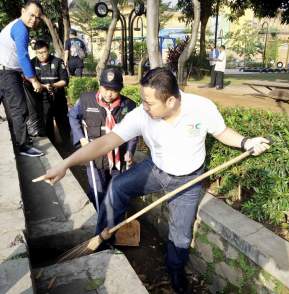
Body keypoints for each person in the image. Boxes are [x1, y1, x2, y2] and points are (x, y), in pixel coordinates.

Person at [41, 68, 270, 293]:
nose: (143, 106)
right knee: (117, 187)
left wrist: (246, 142)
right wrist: (66, 163)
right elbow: (104, 143)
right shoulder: (142, 114)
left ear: (170, 101)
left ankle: (175, 271)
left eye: (149, 102)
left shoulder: (201, 108)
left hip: (188, 181)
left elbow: (222, 132)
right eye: (142, 99)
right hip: (155, 170)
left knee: (180, 234)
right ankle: (104, 240)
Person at [68, 67, 137, 211]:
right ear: (100, 85)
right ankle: (99, 220)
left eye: (114, 90)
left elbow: (133, 132)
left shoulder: (129, 106)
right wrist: (81, 138)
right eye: (105, 88)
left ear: (120, 89)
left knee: (115, 192)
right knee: (97, 191)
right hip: (94, 156)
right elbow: (73, 116)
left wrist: (130, 151)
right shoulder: (86, 100)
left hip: (118, 160)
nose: (109, 94)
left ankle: (112, 223)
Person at [0, 0, 44, 157]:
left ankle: (20, 140)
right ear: (23, 11)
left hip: (5, 70)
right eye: (31, 15)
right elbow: (23, 56)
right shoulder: (21, 29)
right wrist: (33, 80)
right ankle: (23, 146)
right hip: (6, 73)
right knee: (20, 108)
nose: (34, 19)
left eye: (38, 17)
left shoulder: (15, 25)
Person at [30, 39, 70, 141]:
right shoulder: (32, 63)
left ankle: (67, 145)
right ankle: (53, 144)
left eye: (44, 52)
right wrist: (43, 86)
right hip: (42, 99)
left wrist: (53, 85)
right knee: (47, 124)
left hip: (58, 97)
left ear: (48, 50)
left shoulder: (57, 61)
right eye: (39, 53)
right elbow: (29, 80)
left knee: (63, 123)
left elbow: (65, 80)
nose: (42, 55)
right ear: (36, 52)